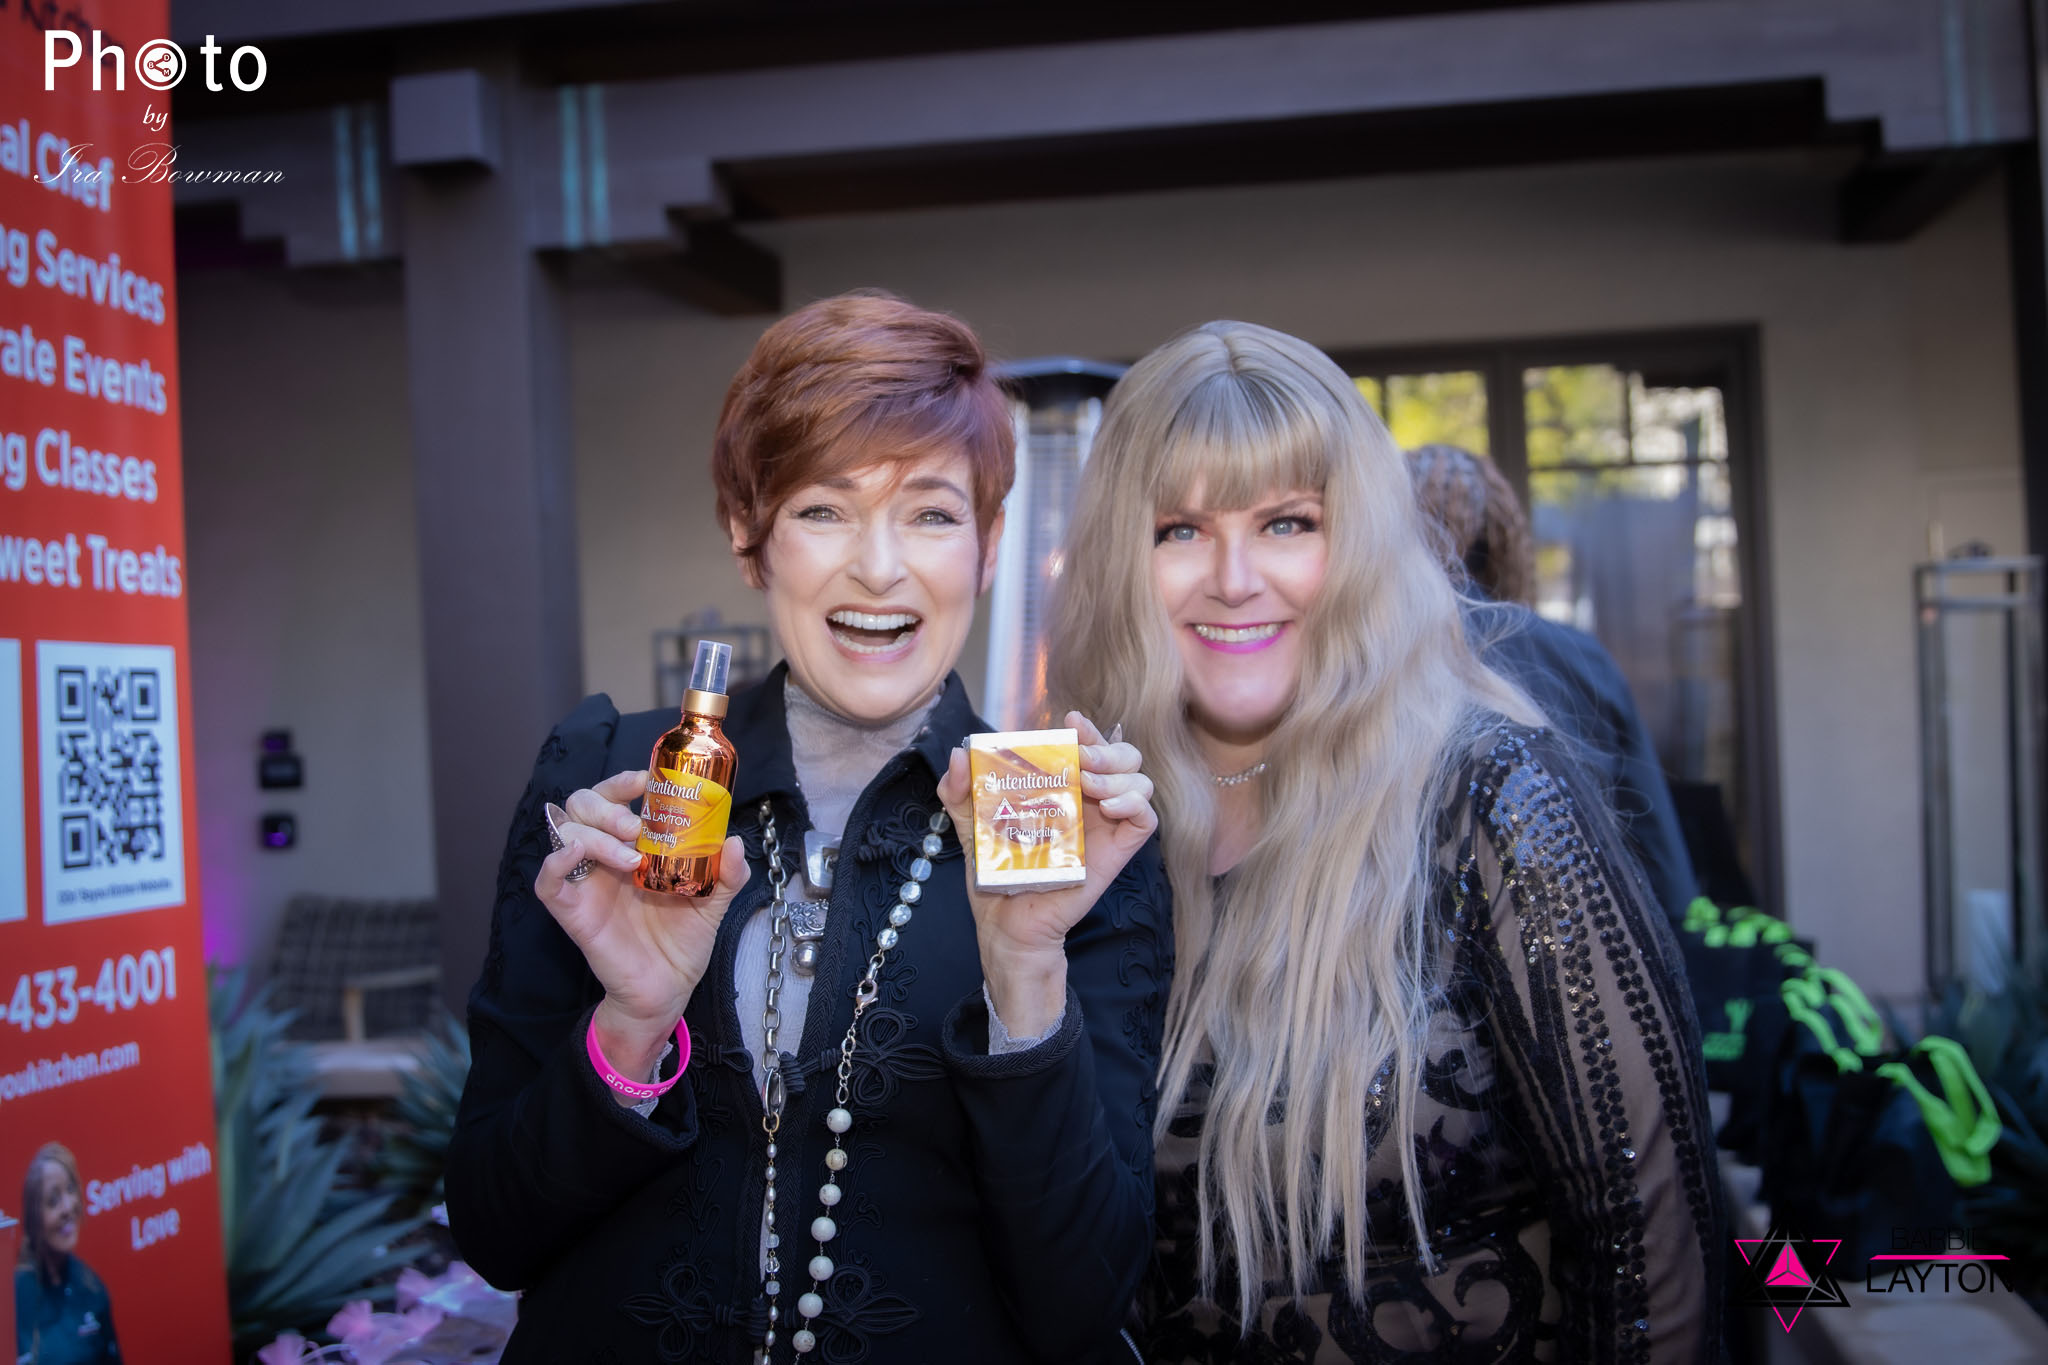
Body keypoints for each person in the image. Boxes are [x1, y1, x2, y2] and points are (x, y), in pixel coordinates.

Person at [447, 291, 1172, 1365]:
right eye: (824, 509)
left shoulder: (1058, 823)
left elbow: (1084, 1302)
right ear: (750, 536)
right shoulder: (617, 784)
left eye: (931, 513)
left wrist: (1026, 971)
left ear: (988, 546)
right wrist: (632, 1023)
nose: (878, 567)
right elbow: (493, 1230)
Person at [1049, 322, 1720, 1362]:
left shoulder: (1495, 800)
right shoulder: (1094, 815)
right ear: (1119, 561)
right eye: (1178, 529)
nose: (1233, 577)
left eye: (1286, 523)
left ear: (1358, 543)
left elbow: (1649, 1256)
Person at [1405, 442, 1701, 927]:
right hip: (1582, 943)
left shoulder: (1363, 662)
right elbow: (1664, 869)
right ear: (1501, 536)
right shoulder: (1580, 658)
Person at [14, 1143, 120, 1365]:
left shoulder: (91, 1288)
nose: (68, 1207)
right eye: (53, 1201)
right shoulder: (13, 1301)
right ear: (33, 1218)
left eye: (71, 1190)